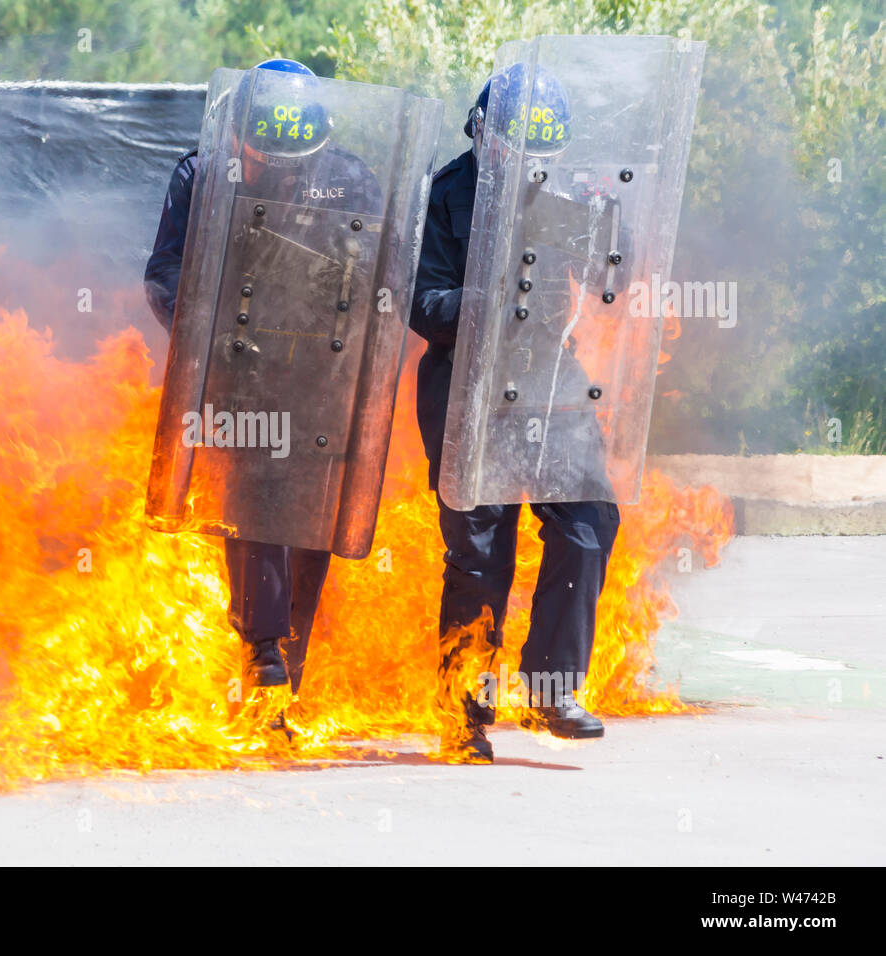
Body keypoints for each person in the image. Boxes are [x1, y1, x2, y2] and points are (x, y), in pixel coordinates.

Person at [144, 58, 382, 702]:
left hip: (323, 372)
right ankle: (263, 648)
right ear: (238, 135)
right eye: (262, 154)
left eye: (293, 157)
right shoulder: (201, 173)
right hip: (239, 366)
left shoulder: (351, 178)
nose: (277, 168)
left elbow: (384, 273)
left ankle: (291, 651)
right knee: (253, 501)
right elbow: (165, 272)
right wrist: (202, 334)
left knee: (314, 513)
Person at [411, 65, 621, 764]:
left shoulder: (564, 196)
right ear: (484, 135)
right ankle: (462, 712)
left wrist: (608, 219)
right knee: (479, 556)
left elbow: (611, 281)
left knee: (589, 519)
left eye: (543, 153)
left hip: (553, 383)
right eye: (516, 149)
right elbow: (419, 302)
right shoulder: (445, 196)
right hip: (468, 386)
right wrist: (492, 309)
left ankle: (554, 689)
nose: (528, 164)